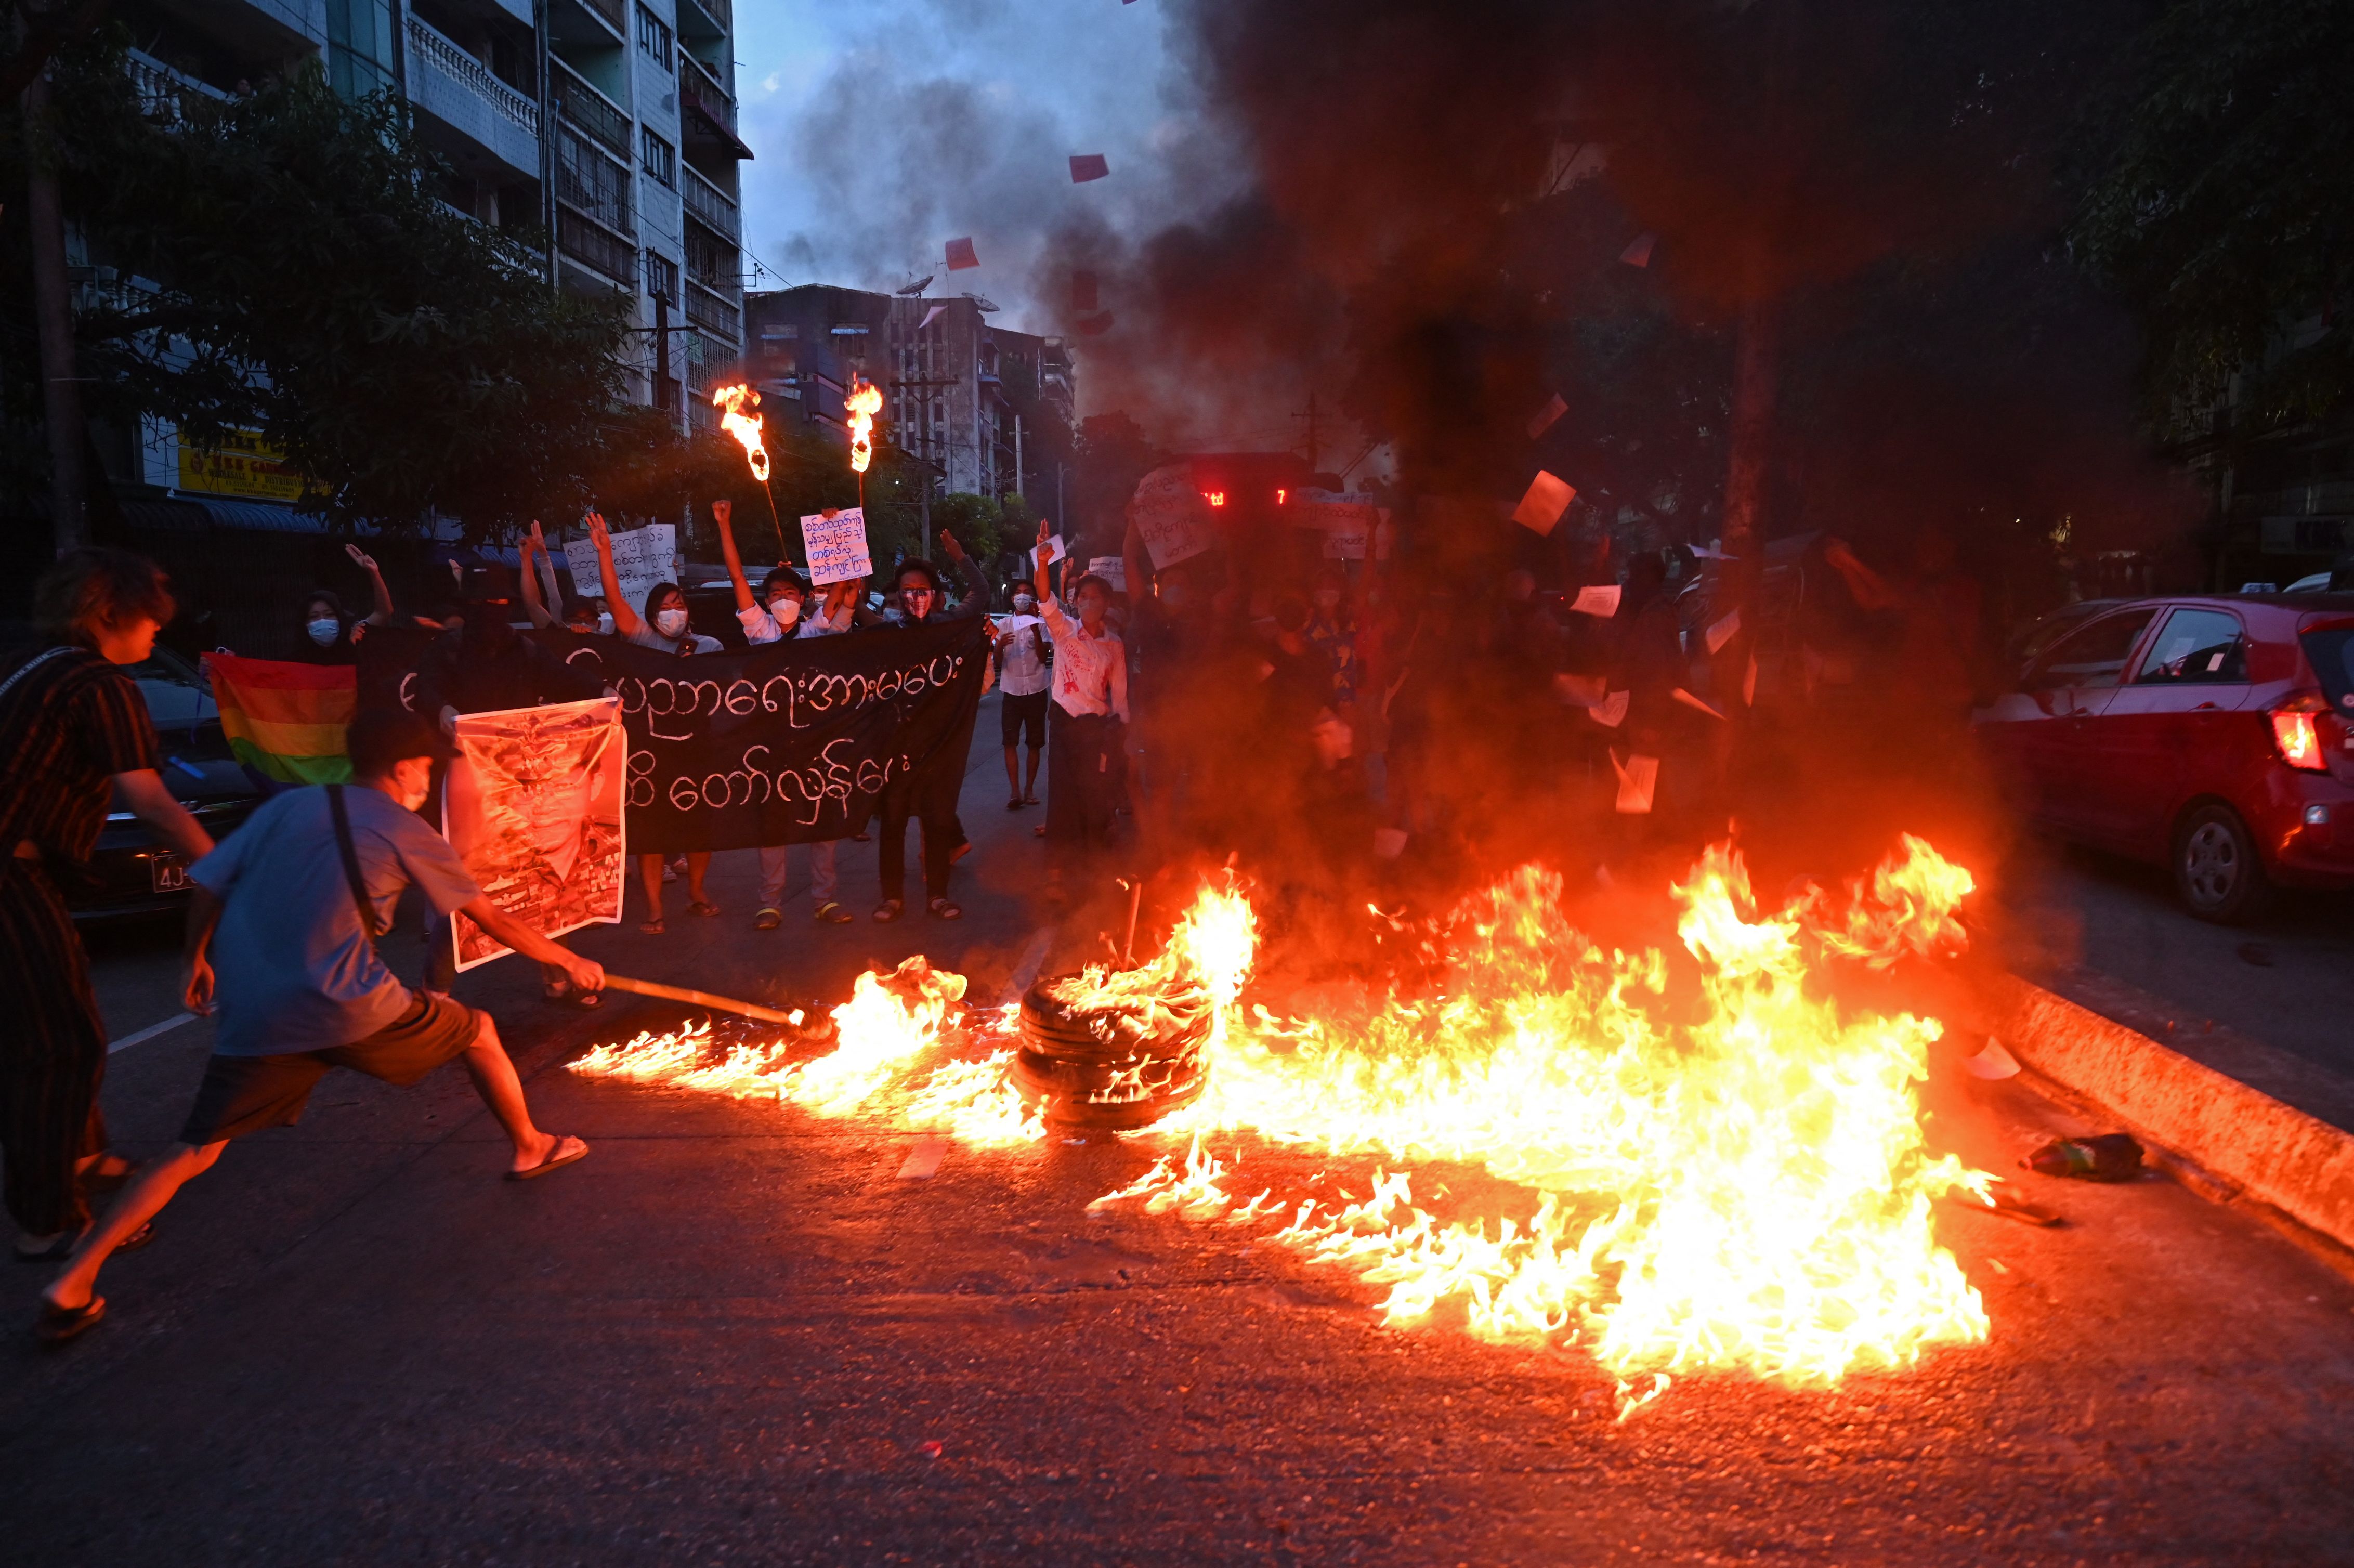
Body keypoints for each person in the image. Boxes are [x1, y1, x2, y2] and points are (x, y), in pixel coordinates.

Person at [34, 708, 600, 1342]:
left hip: (258, 1007)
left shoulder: (286, 809)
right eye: (426, 771)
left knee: (194, 1148)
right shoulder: (401, 826)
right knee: (479, 1028)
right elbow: (489, 917)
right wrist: (569, 958)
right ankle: (530, 1146)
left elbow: (212, 880)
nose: (427, 783)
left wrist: (195, 956)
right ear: (404, 766)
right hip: (346, 1004)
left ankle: (74, 1279)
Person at [1, 551, 216, 1265]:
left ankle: (82, 1155)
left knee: (62, 1013)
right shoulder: (98, 683)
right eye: (150, 618)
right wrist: (225, 869)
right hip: (8, 873)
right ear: (107, 615)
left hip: (27, 872)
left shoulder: (35, 665)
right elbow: (151, 803)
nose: (157, 632)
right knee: (58, 1039)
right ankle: (46, 1219)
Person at [412, 561, 609, 999]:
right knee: (469, 880)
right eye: (483, 603)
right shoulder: (447, 651)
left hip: (526, 781)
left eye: (500, 602)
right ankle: (435, 990)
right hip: (468, 783)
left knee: (542, 875)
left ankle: (559, 973)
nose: (492, 610)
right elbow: (427, 690)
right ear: (468, 606)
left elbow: (566, 680)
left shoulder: (525, 650)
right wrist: (445, 714)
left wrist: (602, 694)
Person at [712, 500, 854, 928]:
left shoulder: (816, 630)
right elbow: (737, 576)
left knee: (822, 818)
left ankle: (824, 899)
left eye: (790, 593)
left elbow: (843, 587)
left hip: (816, 737)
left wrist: (837, 535)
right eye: (774, 594)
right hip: (771, 740)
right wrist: (724, 525)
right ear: (765, 601)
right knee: (772, 821)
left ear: (804, 597)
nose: (782, 599)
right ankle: (770, 900)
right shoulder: (759, 630)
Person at [585, 510, 723, 930]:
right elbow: (614, 601)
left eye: (678, 604)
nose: (672, 612)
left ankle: (697, 891)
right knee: (652, 831)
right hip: (651, 753)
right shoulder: (642, 641)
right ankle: (655, 908)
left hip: (698, 752)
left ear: (688, 611)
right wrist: (605, 553)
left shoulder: (709, 646)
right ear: (650, 616)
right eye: (663, 608)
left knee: (701, 828)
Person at [869, 531, 991, 922]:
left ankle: (938, 895)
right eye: (907, 590)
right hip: (895, 747)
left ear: (935, 594)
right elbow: (849, 632)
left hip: (939, 747)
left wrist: (960, 556)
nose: (915, 596)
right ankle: (892, 898)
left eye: (922, 590)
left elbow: (981, 593)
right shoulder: (885, 636)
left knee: (939, 821)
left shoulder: (949, 627)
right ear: (898, 595)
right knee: (893, 823)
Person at [1029, 519, 1129, 901]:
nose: (1088, 602)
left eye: (1096, 597)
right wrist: (1043, 560)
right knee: (1062, 795)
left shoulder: (1114, 645)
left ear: (1107, 603)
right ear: (1077, 602)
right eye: (1082, 596)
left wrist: (1121, 731)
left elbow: (1119, 695)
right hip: (1064, 723)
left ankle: (1095, 866)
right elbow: (1043, 597)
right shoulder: (1065, 629)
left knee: (1095, 794)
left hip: (1096, 728)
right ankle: (1056, 870)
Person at [991, 581, 1051, 811]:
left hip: (1036, 688)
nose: (1022, 597)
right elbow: (998, 662)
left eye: (1027, 593)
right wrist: (999, 646)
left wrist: (1035, 628)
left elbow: (1043, 657)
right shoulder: (1004, 625)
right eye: (1018, 593)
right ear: (1012, 599)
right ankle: (1015, 791)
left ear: (1033, 599)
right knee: (1010, 741)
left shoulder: (1042, 625)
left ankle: (1029, 789)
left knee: (1034, 742)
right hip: (1012, 690)